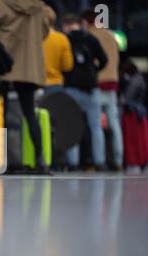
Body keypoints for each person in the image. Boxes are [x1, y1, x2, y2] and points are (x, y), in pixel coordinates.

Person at [0, 0, 51, 173]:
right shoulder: (40, 7)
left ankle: (3, 159)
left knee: (0, 113)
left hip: (5, 63)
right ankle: (40, 160)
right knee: (30, 113)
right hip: (29, 66)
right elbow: (45, 31)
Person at [61, 14, 108, 171]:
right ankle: (100, 162)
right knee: (96, 127)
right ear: (79, 23)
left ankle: (73, 163)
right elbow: (104, 60)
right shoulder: (91, 39)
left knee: (72, 126)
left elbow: (63, 63)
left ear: (66, 25)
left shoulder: (65, 39)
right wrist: (94, 70)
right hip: (91, 88)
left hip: (71, 87)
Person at [81, 9, 124, 172]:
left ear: (87, 21)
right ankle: (119, 161)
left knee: (95, 125)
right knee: (114, 124)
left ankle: (97, 161)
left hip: (97, 83)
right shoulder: (111, 35)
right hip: (112, 82)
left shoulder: (90, 37)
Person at [43, 6, 74, 95]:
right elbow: (67, 66)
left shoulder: (34, 39)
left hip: (35, 84)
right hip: (56, 84)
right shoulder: (62, 39)